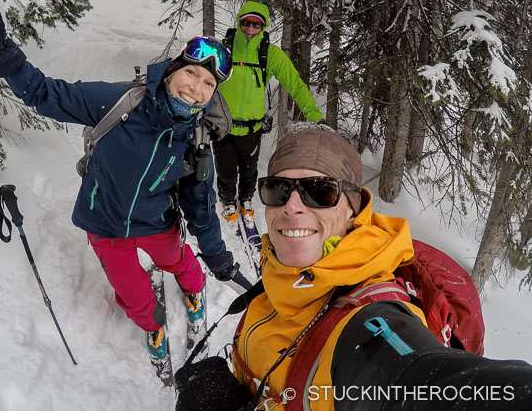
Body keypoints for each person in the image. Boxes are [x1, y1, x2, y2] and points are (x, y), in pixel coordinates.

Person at [0, 0, 251, 363]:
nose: (195, 88)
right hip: (104, 224)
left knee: (178, 261)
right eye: (191, 74)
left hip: (157, 223)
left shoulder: (195, 138)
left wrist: (217, 255)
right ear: (172, 70)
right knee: (133, 295)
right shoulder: (119, 102)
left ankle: (195, 289)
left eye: (207, 83)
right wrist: (6, 57)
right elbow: (45, 93)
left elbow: (200, 205)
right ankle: (153, 327)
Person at [226, 124, 532, 411]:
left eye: (319, 191)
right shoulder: (283, 275)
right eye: (278, 189)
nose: (292, 206)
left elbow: (423, 381)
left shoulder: (373, 320)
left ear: (352, 210)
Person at [214, 1, 324, 228]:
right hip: (223, 126)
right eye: (246, 23)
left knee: (249, 170)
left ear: (264, 27)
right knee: (225, 170)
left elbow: (295, 84)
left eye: (257, 24)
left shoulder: (269, 54)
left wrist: (314, 115)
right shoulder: (222, 48)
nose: (251, 29)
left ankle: (245, 200)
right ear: (239, 21)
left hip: (252, 128)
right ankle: (227, 200)